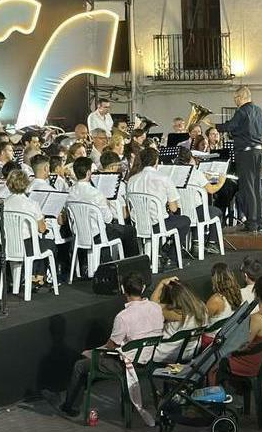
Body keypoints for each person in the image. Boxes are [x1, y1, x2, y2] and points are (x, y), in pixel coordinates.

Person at [55, 272, 163, 416]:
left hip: (126, 364)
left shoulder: (123, 317)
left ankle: (70, 406)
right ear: (143, 288)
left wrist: (93, 352)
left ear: (124, 290)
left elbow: (111, 346)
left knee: (80, 366)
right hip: (149, 359)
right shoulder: (156, 308)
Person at [65, 157, 137, 263]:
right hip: (97, 234)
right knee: (129, 230)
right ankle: (132, 265)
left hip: (78, 234)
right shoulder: (95, 193)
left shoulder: (69, 192)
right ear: (89, 173)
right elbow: (108, 219)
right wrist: (106, 203)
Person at [217, 86, 262, 233]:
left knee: (247, 187)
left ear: (241, 97)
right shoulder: (259, 111)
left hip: (245, 153)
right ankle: (259, 221)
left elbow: (230, 126)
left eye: (235, 98)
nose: (235, 101)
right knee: (256, 186)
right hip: (258, 151)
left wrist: (214, 126)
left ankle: (251, 222)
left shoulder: (242, 111)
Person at [151, 276, 208, 362]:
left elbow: (152, 306)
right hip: (190, 351)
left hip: (167, 354)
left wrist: (161, 283)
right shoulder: (202, 308)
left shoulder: (176, 314)